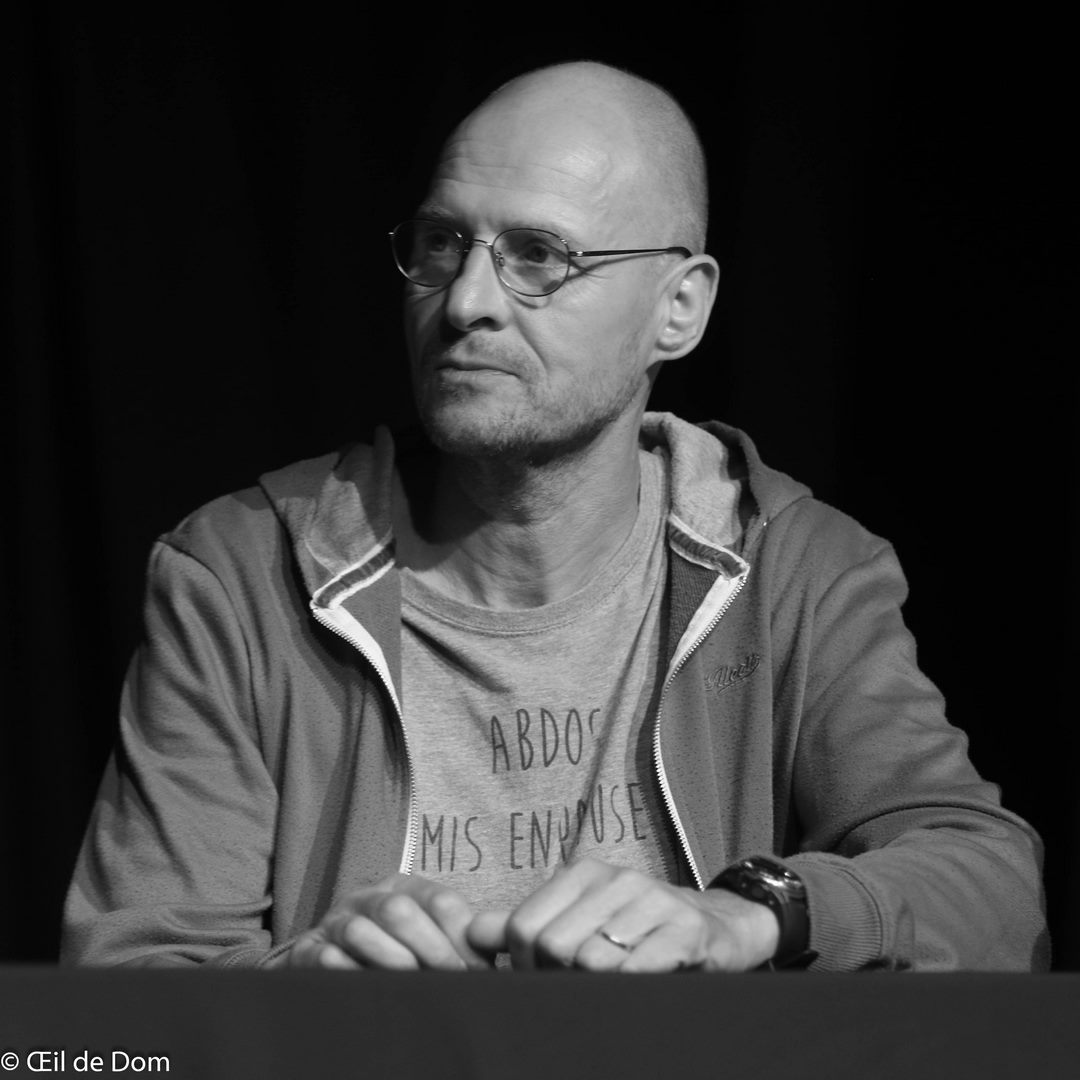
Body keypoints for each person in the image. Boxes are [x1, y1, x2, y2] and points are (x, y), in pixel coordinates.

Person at [62, 61, 1048, 973]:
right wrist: (309, 989)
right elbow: (122, 1004)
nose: (465, 303)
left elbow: (993, 891)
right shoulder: (243, 578)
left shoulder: (793, 570)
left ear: (679, 308)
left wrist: (753, 914)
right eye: (443, 243)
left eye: (539, 256)